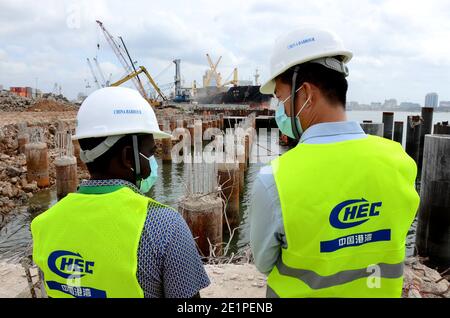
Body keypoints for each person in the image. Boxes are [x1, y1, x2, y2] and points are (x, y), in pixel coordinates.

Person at [250, 27, 420, 298]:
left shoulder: (275, 180)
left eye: (281, 98)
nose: (280, 110)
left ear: (305, 93)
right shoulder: (400, 162)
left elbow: (263, 262)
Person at [31, 87, 210, 298]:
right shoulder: (164, 225)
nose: (152, 162)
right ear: (128, 157)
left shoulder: (45, 223)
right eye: (150, 152)